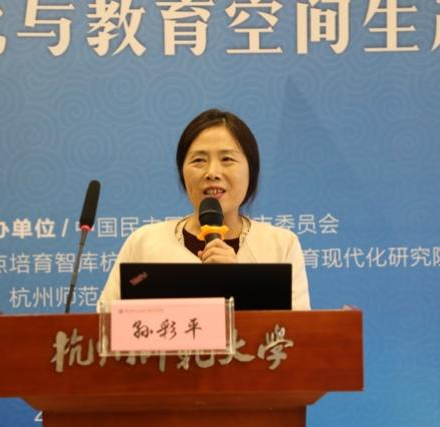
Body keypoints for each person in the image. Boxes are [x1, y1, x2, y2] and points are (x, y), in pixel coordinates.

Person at [97, 109, 310, 311]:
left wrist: (239, 283)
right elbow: (104, 324)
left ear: (251, 170)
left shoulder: (280, 245)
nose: (212, 172)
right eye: (199, 160)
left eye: (227, 159)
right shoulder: (145, 243)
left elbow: (297, 331)